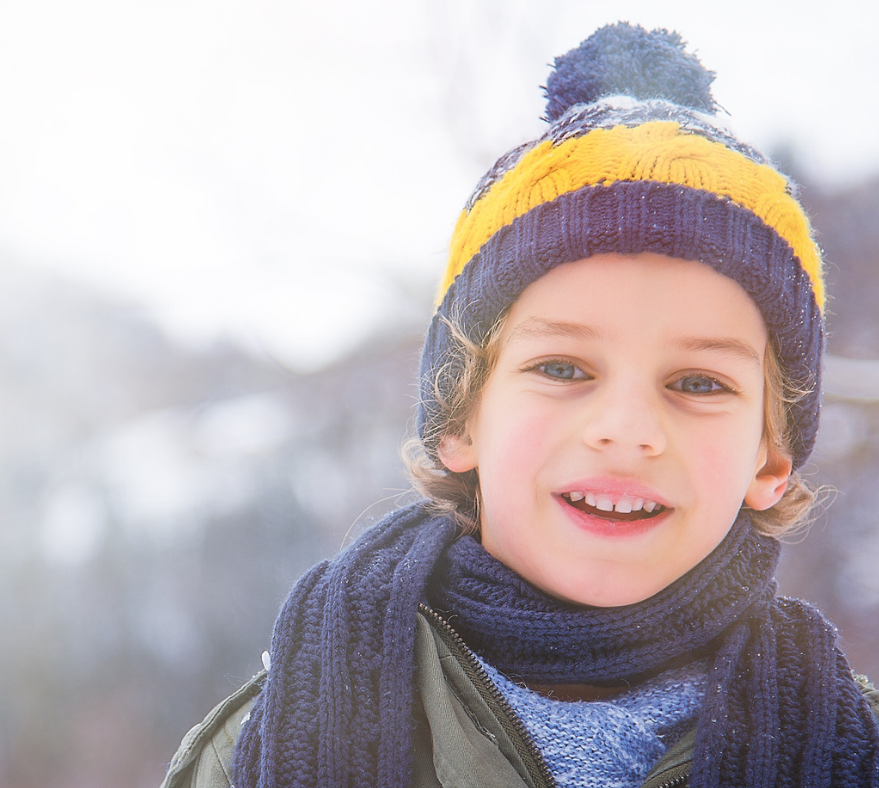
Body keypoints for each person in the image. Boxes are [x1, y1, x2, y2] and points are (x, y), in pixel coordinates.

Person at [160, 23, 879, 788]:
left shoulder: (849, 751)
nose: (627, 430)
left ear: (771, 456)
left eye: (699, 383)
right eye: (564, 367)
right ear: (461, 417)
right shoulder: (260, 751)